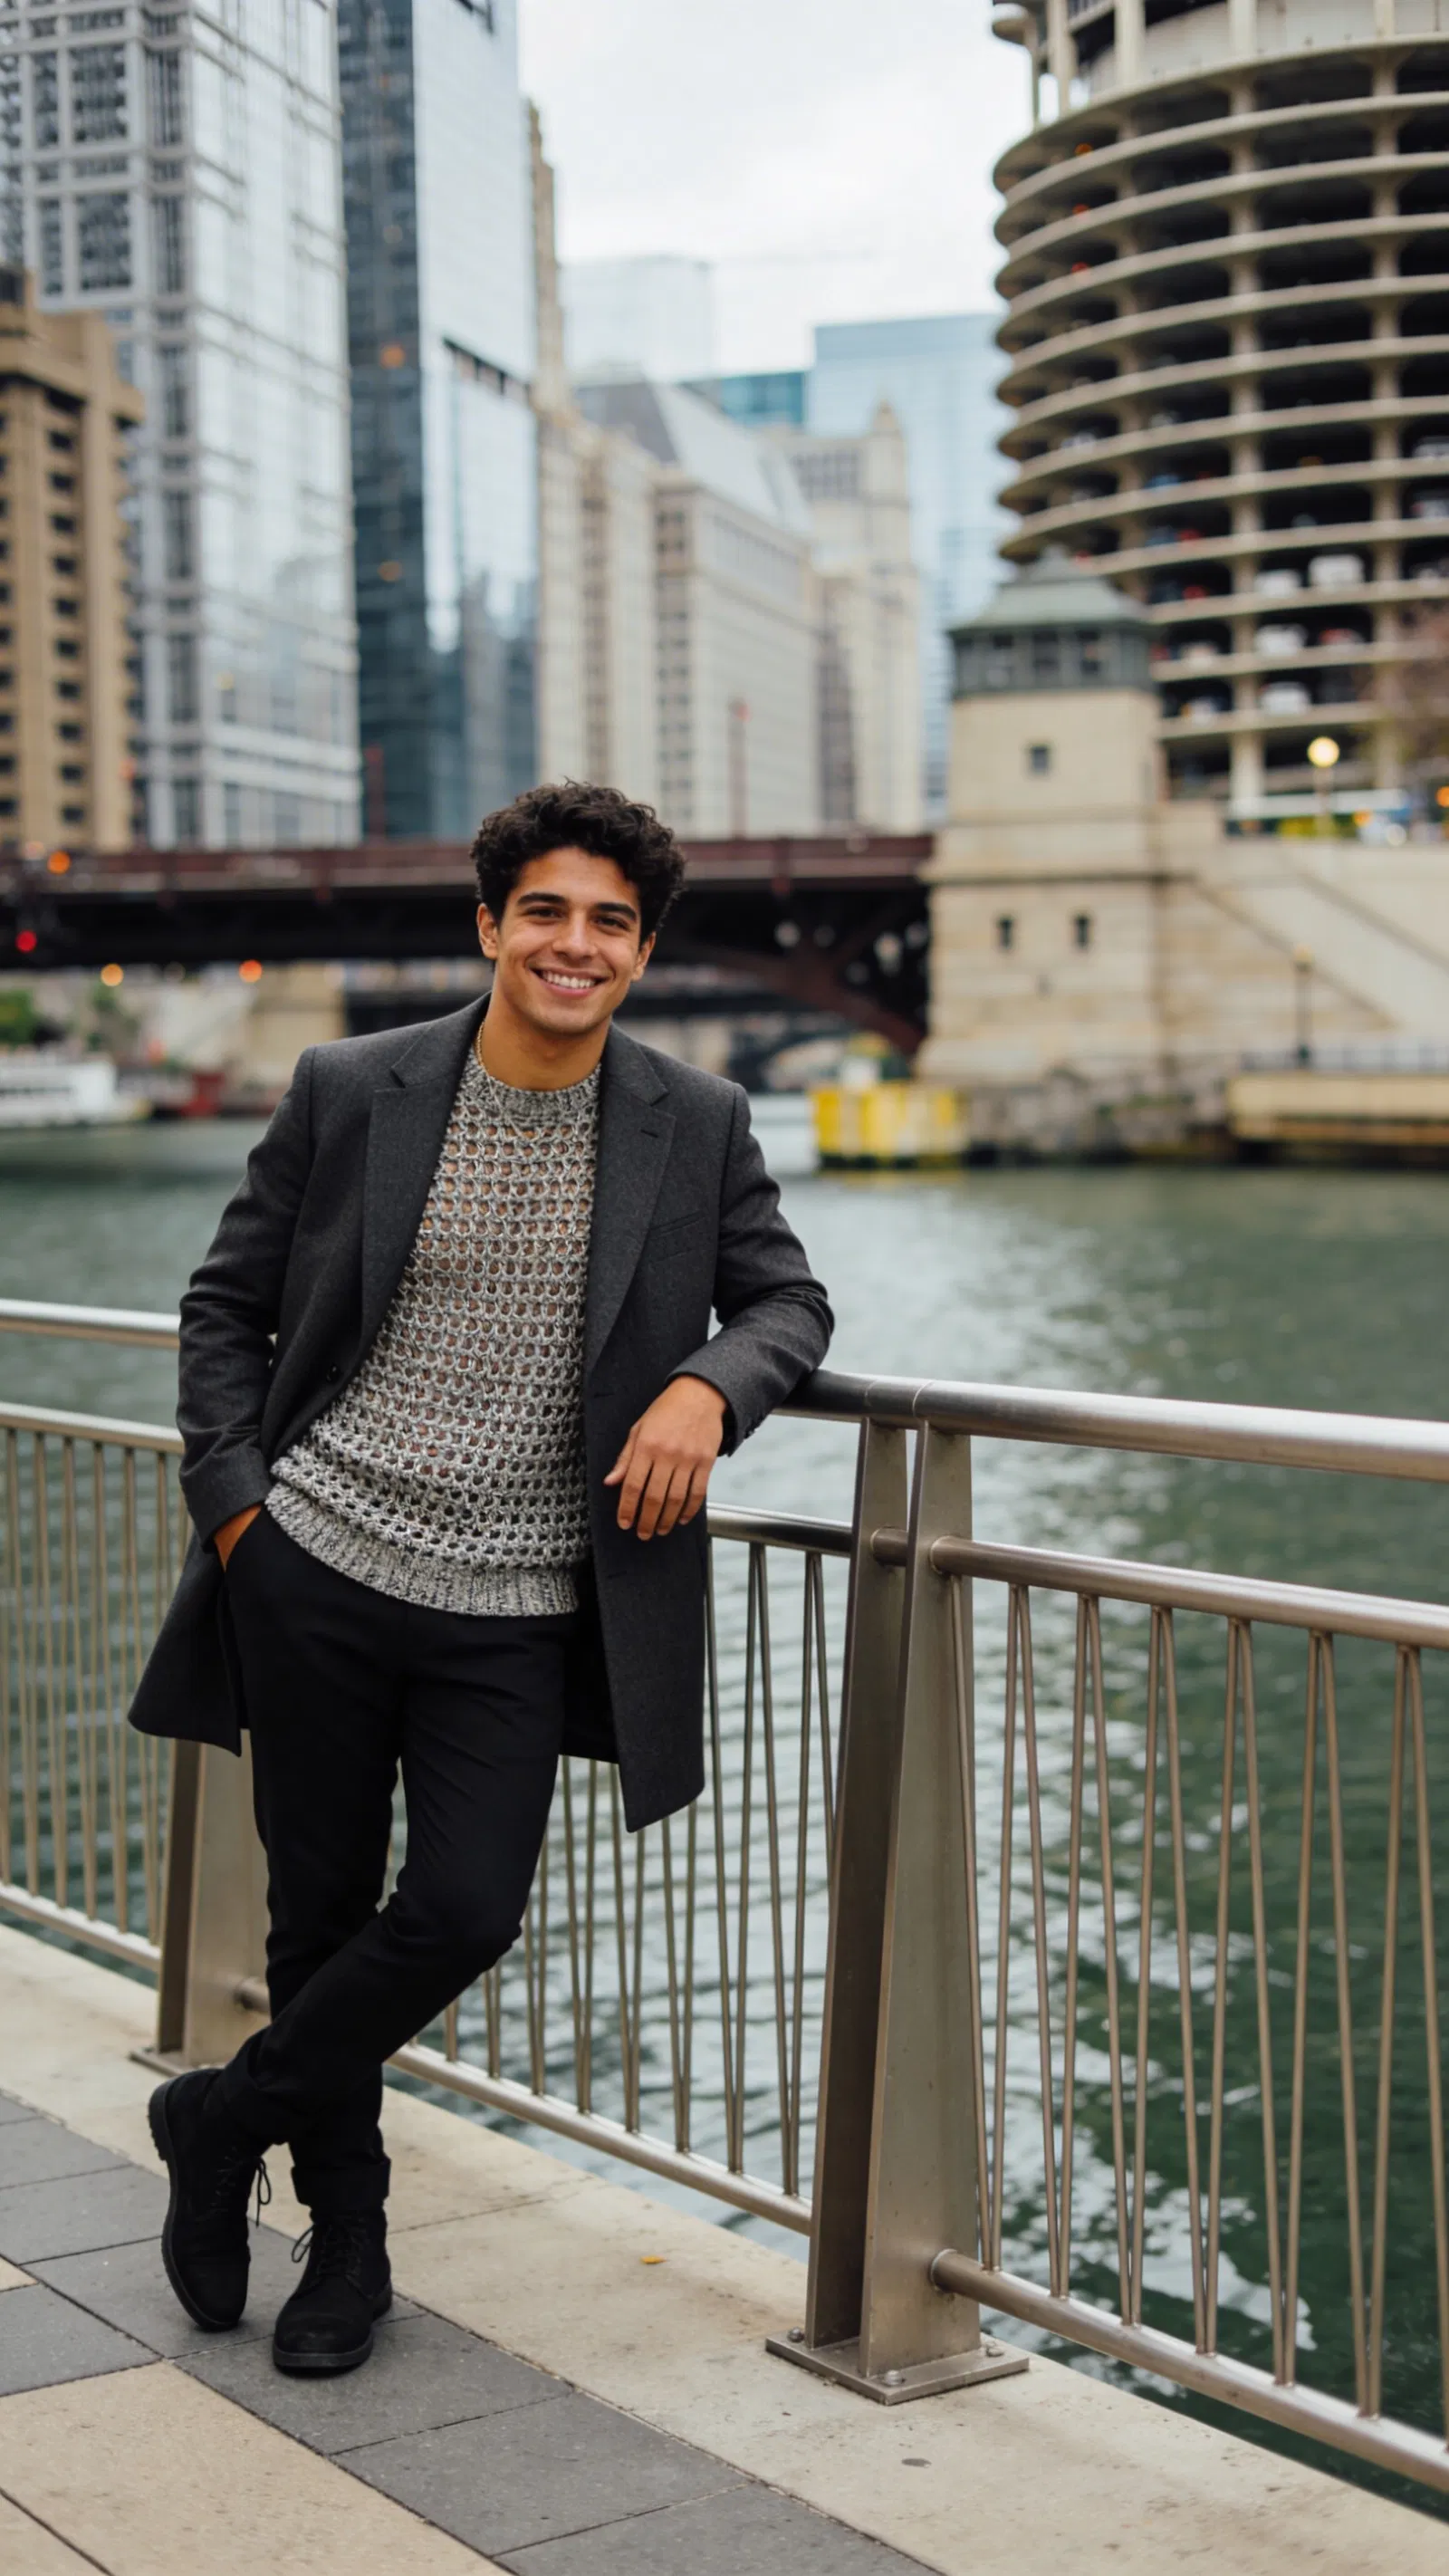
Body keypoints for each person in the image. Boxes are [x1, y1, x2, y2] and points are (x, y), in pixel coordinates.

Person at [130, 781, 832, 2377]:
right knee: (319, 1924)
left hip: (515, 1608)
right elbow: (221, 1308)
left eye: (607, 922)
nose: (572, 945)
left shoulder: (694, 1121)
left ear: (639, 953)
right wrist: (243, 1515)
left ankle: (216, 2119)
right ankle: (350, 2249)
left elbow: (791, 1300)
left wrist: (707, 1387)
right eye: (546, 912)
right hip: (313, 1567)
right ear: (490, 926)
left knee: (460, 1907)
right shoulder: (353, 1086)